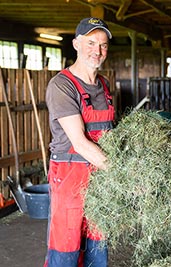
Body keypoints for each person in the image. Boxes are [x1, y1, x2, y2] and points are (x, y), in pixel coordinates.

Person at [44, 17, 114, 267]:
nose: (97, 51)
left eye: (103, 45)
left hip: (101, 177)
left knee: (98, 242)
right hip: (70, 175)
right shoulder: (62, 86)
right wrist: (124, 174)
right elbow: (81, 143)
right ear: (76, 44)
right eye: (91, 42)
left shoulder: (104, 86)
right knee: (66, 246)